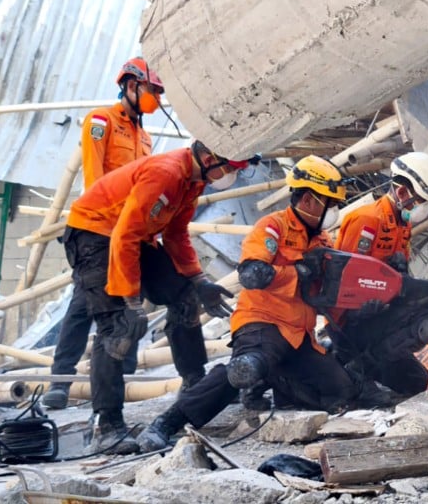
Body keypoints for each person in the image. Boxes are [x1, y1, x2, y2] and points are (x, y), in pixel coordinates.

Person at [135, 155, 359, 453]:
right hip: (263, 322)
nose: (334, 210)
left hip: (298, 334)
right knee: (245, 368)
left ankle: (274, 378)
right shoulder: (273, 228)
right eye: (330, 203)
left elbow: (326, 294)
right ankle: (168, 422)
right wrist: (298, 271)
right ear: (308, 200)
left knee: (340, 390)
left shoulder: (323, 241)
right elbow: (252, 274)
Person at [63, 139, 250, 453]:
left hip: (134, 235)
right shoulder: (165, 173)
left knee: (184, 298)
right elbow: (124, 235)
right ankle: (108, 425)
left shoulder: (193, 181)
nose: (230, 173)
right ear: (207, 157)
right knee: (118, 326)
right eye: (229, 167)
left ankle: (194, 385)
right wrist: (130, 300)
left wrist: (198, 280)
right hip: (95, 234)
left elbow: (176, 234)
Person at [43, 57, 163, 411]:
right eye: (151, 90)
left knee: (130, 300)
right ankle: (61, 380)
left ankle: (124, 373)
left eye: (157, 92)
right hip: (97, 229)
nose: (155, 97)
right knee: (83, 304)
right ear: (130, 86)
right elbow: (96, 180)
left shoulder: (145, 137)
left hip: (128, 232)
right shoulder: (101, 121)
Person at [328, 152, 428, 399]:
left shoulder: (402, 226)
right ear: (402, 192)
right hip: (350, 323)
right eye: (421, 201)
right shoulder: (366, 221)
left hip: (378, 318)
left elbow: (399, 282)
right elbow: (344, 280)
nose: (423, 209)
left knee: (417, 383)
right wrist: (358, 310)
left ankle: (351, 362)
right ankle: (355, 369)